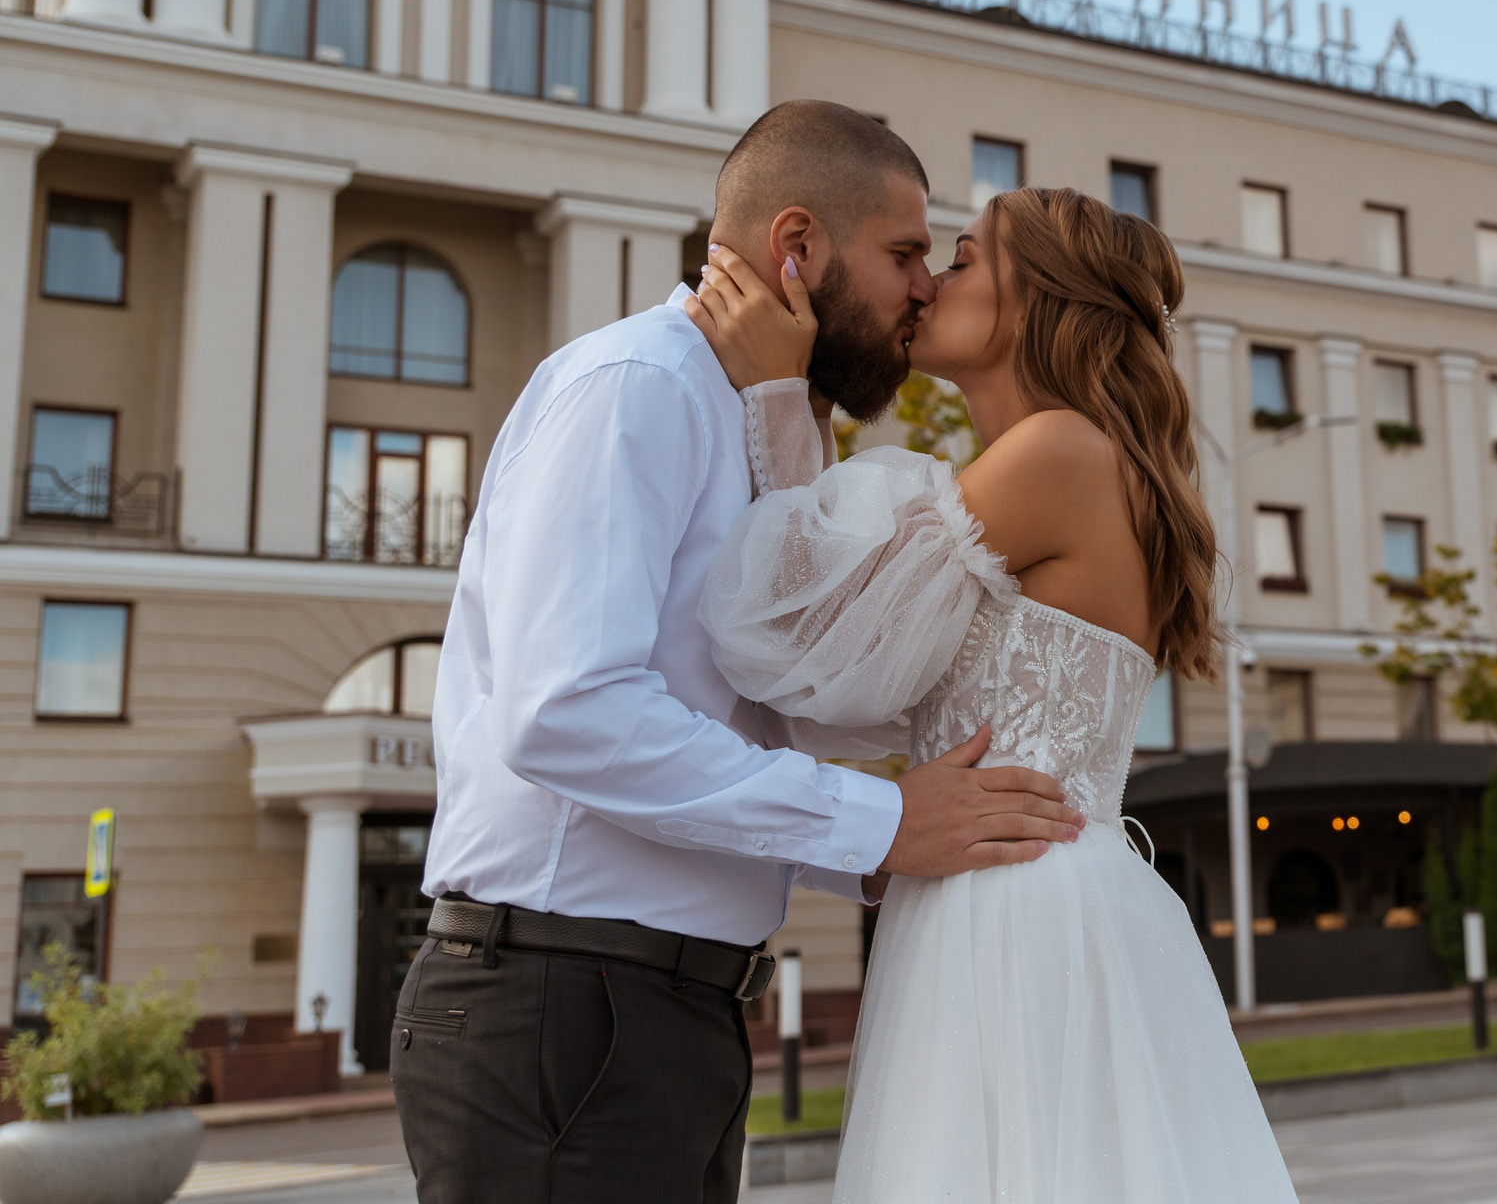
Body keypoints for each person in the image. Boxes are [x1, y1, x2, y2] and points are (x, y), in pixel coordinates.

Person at [392, 103, 1085, 1204]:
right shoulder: (638, 386)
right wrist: (877, 822)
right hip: (562, 1003)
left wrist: (867, 852)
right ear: (796, 245)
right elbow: (567, 712)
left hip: (657, 1013)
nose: (923, 288)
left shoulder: (767, 423)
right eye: (905, 253)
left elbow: (748, 710)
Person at [687, 184, 1299, 1203]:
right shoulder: (1064, 465)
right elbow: (847, 672)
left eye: (964, 260)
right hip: (1010, 892)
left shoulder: (1058, 454)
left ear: (1042, 299)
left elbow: (792, 625)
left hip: (1013, 909)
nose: (930, 283)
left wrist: (779, 396)